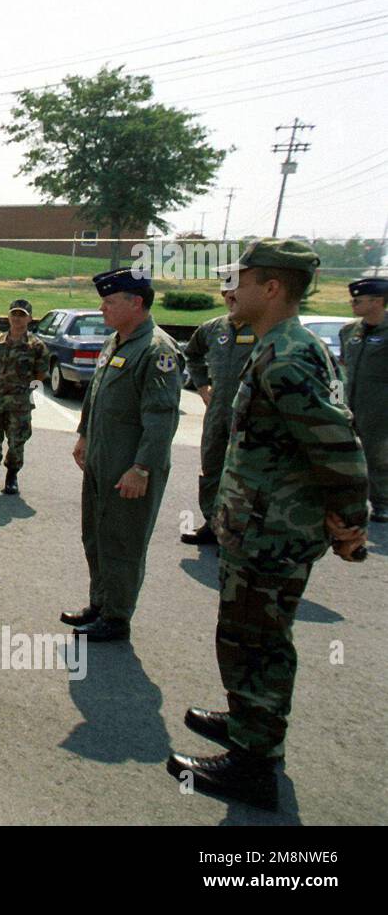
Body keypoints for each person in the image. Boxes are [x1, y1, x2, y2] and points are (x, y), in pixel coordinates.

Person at [169, 238, 368, 811]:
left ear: (272, 287)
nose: (234, 289)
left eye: (245, 279)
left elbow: (336, 443)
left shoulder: (286, 355)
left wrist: (350, 525)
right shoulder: (282, 344)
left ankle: (252, 762)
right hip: (259, 523)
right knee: (251, 636)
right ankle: (248, 719)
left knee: (255, 641)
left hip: (270, 532)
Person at [62, 268, 182, 642]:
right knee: (96, 535)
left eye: (110, 302)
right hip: (101, 459)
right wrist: (84, 435)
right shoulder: (117, 341)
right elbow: (96, 394)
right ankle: (100, 602)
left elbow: (161, 418)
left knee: (123, 542)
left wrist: (142, 468)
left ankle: (116, 617)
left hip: (129, 467)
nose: (102, 309)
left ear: (137, 303)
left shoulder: (157, 350)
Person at [180, 277, 256, 546]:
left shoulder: (264, 329)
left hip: (251, 416)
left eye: (236, 291)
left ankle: (242, 532)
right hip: (217, 412)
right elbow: (191, 354)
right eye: (226, 293)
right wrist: (202, 386)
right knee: (212, 467)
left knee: (246, 473)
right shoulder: (213, 328)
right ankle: (212, 524)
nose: (230, 297)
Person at [0, 298, 51, 496]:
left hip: (20, 403)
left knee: (17, 440)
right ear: (8, 317)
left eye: (22, 315)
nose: (17, 318)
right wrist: (0, 382)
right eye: (14, 314)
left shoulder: (36, 346)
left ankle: (12, 476)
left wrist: (25, 389)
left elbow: (41, 373)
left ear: (30, 319)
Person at [339, 277, 388, 523]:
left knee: (378, 457)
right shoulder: (349, 331)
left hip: (380, 406)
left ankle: (382, 504)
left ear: (377, 301)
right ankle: (349, 504)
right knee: (346, 455)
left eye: (357, 300)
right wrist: (336, 400)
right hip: (350, 402)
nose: (352, 303)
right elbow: (341, 369)